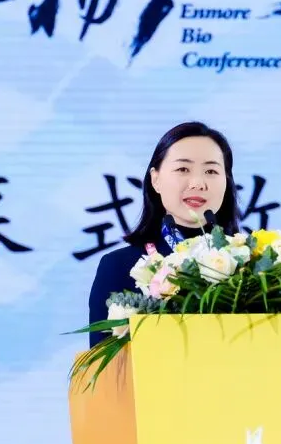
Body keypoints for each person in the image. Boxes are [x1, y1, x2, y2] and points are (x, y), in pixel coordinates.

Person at [87, 121, 241, 347]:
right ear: (155, 179)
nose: (198, 183)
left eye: (211, 171)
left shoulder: (252, 266)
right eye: (183, 169)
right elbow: (104, 363)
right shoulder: (119, 267)